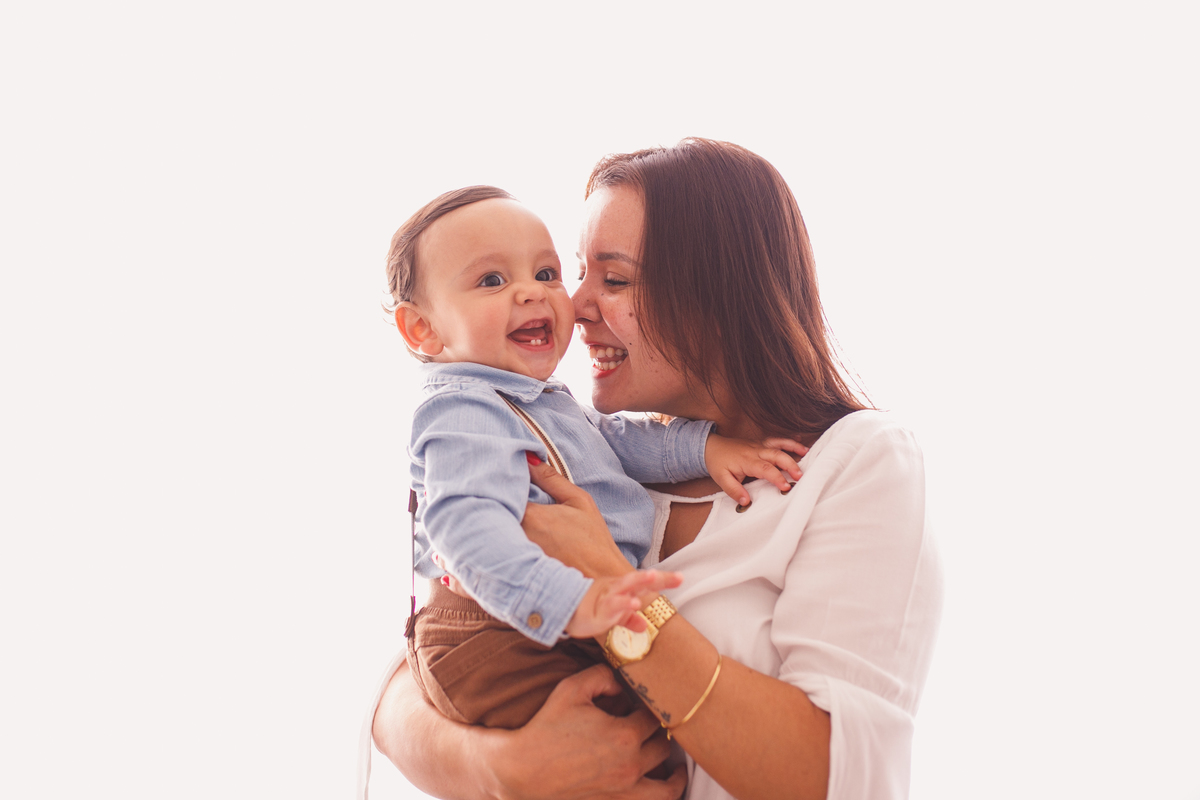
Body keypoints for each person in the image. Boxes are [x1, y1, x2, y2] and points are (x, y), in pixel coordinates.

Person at [363, 139, 943, 800]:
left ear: (717, 297)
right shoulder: (590, 457)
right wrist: (501, 770)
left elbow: (835, 778)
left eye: (611, 279)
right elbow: (396, 686)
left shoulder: (857, 463)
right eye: (577, 273)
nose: (574, 305)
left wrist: (608, 584)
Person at [386, 186, 807, 730]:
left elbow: (616, 441)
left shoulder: (535, 399)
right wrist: (570, 602)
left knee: (644, 755)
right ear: (423, 329)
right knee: (603, 755)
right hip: (503, 632)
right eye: (492, 280)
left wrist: (704, 447)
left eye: (545, 274)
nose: (531, 294)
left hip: (548, 622)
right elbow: (466, 531)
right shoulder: (463, 408)